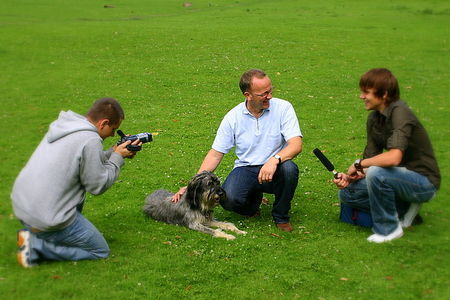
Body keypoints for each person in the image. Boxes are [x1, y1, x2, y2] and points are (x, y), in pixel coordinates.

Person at [12, 97, 141, 267]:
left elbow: (84, 161)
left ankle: (35, 232)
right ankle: (36, 247)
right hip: (46, 216)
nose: (112, 134)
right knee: (100, 251)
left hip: (23, 205)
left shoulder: (66, 127)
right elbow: (97, 185)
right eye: (113, 129)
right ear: (103, 123)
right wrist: (118, 157)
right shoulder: (90, 140)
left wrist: (113, 152)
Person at [173, 69, 303, 232]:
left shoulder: (284, 108)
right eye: (263, 94)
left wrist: (274, 159)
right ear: (248, 95)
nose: (269, 96)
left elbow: (296, 144)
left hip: (275, 168)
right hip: (246, 168)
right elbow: (215, 154)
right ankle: (252, 205)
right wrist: (193, 184)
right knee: (228, 199)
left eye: (270, 91)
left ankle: (281, 216)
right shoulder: (233, 117)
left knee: (289, 169)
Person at [333, 68, 440, 243]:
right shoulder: (374, 118)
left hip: (424, 182)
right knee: (348, 193)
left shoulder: (401, 113)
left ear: (384, 94)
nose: (361, 96)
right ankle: (404, 209)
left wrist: (360, 163)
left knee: (377, 173)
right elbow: (368, 165)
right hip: (394, 178)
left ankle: (389, 229)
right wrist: (351, 177)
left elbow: (393, 158)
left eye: (366, 92)